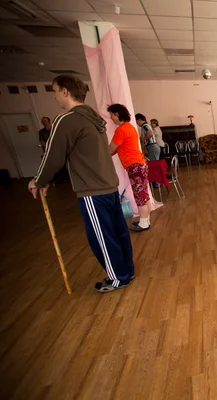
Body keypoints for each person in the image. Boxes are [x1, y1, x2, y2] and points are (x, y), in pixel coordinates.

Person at [28, 75, 134, 293]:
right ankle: (126, 270)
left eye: (55, 91)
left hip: (92, 190)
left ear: (65, 92)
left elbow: (53, 155)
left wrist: (39, 180)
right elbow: (73, 156)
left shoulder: (66, 120)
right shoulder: (93, 118)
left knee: (102, 237)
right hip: (108, 185)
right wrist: (50, 179)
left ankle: (117, 277)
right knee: (118, 232)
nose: (55, 95)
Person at [108, 104, 153, 233]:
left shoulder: (121, 130)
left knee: (140, 195)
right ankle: (145, 219)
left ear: (117, 114)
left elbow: (111, 149)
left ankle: (144, 223)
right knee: (144, 194)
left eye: (111, 114)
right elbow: (119, 148)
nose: (111, 117)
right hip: (140, 164)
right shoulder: (129, 127)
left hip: (135, 166)